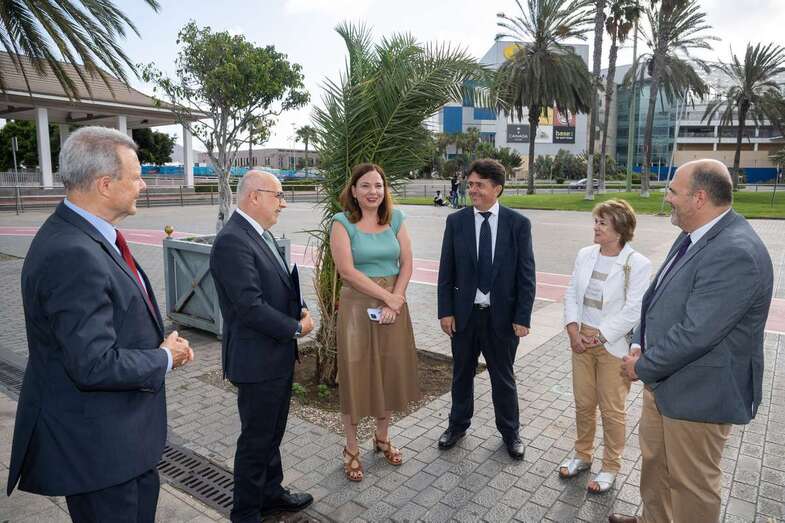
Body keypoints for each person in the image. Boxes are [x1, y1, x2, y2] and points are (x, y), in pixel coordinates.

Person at [7, 126, 194, 522]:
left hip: (121, 445)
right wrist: (164, 358)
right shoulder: (72, 253)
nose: (144, 185)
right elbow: (92, 364)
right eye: (137, 177)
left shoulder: (85, 236)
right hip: (100, 455)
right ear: (105, 185)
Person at [612, 160, 773, 523]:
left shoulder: (735, 252)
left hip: (699, 394)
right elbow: (659, 297)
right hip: (665, 381)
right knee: (656, 466)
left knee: (691, 486)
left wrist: (641, 366)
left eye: (673, 191)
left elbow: (696, 333)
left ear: (699, 198)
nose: (666, 197)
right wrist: (639, 341)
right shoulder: (694, 233)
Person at [210, 171, 315, 522]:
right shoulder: (232, 241)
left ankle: (270, 494)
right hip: (257, 361)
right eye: (278, 195)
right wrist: (296, 328)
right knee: (257, 441)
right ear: (254, 196)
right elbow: (249, 306)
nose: (283, 203)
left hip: (274, 356)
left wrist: (298, 307)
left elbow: (276, 285)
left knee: (271, 434)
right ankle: (246, 512)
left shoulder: (259, 234)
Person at [437, 158, 536, 460]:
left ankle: (511, 433)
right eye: (470, 184)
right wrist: (446, 311)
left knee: (503, 379)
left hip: (502, 320)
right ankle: (457, 426)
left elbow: (526, 275)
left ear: (497, 188)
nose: (472, 190)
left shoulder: (518, 224)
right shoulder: (456, 222)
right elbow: (446, 271)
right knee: (461, 375)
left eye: (479, 185)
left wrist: (522, 317)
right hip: (464, 317)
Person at [331, 163, 421, 482]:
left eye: (378, 186)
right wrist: (388, 298)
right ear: (354, 191)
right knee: (356, 374)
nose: (373, 192)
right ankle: (351, 448)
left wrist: (396, 298)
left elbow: (407, 262)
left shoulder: (396, 219)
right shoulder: (342, 223)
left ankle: (382, 438)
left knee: (389, 370)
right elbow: (347, 271)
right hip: (358, 308)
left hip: (393, 305)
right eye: (366, 186)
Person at [560, 200, 651, 493]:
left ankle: (611, 466)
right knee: (584, 403)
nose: (596, 227)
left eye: (602, 223)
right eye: (596, 221)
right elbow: (572, 293)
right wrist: (573, 330)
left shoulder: (637, 263)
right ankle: (582, 455)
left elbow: (634, 310)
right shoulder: (585, 254)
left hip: (613, 344)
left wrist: (600, 336)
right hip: (581, 340)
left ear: (620, 229)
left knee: (612, 410)